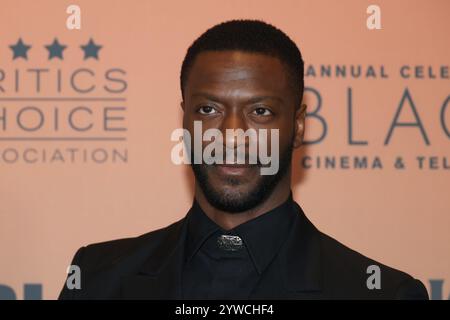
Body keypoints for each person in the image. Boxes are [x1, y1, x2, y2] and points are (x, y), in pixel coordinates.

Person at [59, 19, 428, 299]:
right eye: (208, 108)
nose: (231, 134)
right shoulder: (97, 279)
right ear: (184, 119)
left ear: (298, 127)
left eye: (261, 112)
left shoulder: (380, 293)